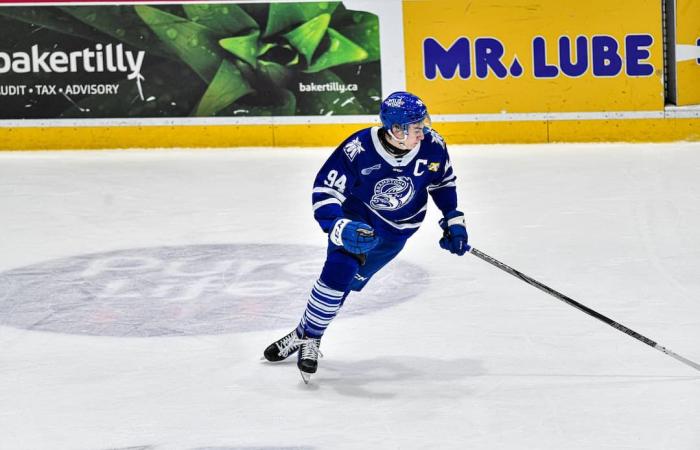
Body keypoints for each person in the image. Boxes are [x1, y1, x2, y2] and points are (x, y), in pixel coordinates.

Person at [262, 91, 470, 383]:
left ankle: (304, 332)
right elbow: (326, 190)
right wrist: (337, 225)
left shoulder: (433, 145)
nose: (423, 133)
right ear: (396, 130)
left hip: (397, 234)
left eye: (424, 124)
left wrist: (453, 218)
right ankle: (312, 339)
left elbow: (442, 182)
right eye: (416, 128)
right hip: (358, 220)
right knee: (339, 271)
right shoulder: (359, 148)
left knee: (345, 286)